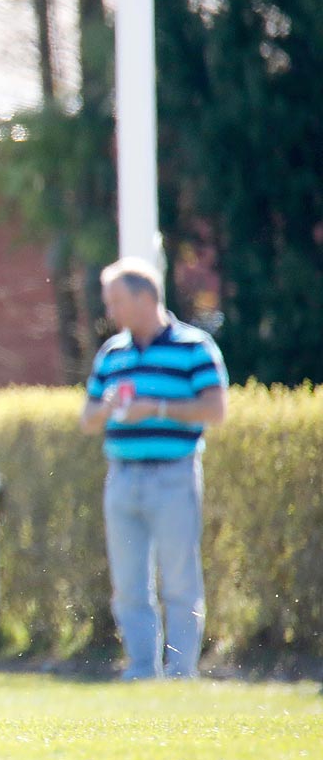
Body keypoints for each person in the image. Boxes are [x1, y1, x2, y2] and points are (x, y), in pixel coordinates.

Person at [79, 257, 227, 680]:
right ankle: (141, 669)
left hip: (174, 474)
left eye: (117, 302)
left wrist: (157, 408)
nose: (112, 313)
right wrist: (104, 410)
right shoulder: (113, 353)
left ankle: (180, 670)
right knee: (128, 584)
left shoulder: (194, 347)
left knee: (179, 579)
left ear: (146, 298)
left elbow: (215, 409)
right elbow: (86, 419)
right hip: (122, 476)